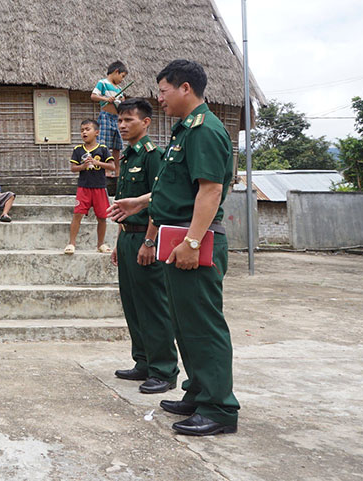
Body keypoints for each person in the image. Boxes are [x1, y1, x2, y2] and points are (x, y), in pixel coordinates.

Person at [109, 60, 239, 436]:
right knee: (185, 323)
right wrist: (140, 202)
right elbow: (178, 188)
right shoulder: (186, 131)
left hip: (193, 239)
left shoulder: (205, 130)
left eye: (163, 91)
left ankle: (219, 408)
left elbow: (210, 190)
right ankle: (198, 392)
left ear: (185, 88)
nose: (160, 98)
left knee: (203, 325)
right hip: (177, 236)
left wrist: (192, 241)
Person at [110, 98, 178, 395]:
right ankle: (143, 362)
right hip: (127, 237)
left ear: (146, 122)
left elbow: (159, 202)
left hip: (146, 238)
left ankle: (163, 369)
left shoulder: (153, 155)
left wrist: (150, 240)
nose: (122, 126)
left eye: (129, 120)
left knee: (153, 305)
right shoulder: (127, 157)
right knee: (133, 303)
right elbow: (123, 207)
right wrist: (117, 242)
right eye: (120, 121)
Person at [65, 120, 115, 255]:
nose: (84, 132)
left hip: (99, 187)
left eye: (87, 129)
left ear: (96, 132)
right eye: (82, 130)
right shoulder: (78, 150)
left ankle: (100, 244)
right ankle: (71, 243)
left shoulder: (103, 149)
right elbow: (73, 168)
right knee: (77, 214)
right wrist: (83, 166)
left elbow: (112, 166)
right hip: (84, 187)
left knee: (102, 217)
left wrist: (96, 162)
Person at [92, 61, 129, 175]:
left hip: (116, 118)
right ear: (116, 72)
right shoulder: (102, 83)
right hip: (106, 117)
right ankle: (107, 170)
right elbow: (93, 96)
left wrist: (122, 101)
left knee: (117, 145)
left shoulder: (118, 88)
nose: (122, 80)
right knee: (105, 144)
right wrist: (106, 99)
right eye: (122, 76)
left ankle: (117, 170)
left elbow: (121, 102)